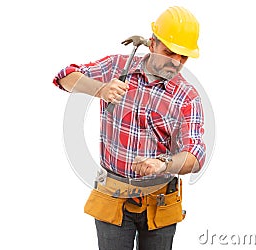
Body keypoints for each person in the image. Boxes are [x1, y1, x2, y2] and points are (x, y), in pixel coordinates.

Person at [53, 6, 206, 250]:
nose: (176, 62)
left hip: (160, 201)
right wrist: (100, 89)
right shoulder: (117, 68)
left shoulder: (187, 97)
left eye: (183, 56)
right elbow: (64, 77)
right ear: (152, 43)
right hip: (112, 195)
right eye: (170, 52)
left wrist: (163, 163)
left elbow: (195, 156)